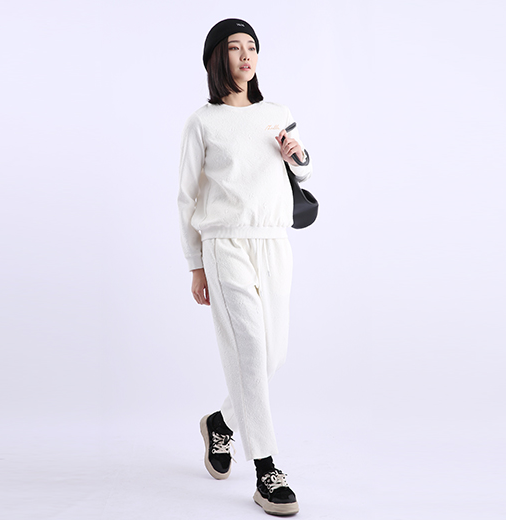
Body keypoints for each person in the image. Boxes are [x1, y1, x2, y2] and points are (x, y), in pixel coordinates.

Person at [177, 18, 312, 517]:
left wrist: (297, 156)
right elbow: (186, 197)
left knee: (272, 355)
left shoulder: (278, 114)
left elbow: (302, 172)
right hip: (224, 244)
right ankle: (267, 468)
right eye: (235, 47)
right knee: (251, 351)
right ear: (218, 58)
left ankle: (221, 423)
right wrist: (196, 264)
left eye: (251, 46)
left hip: (274, 242)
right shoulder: (202, 122)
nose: (246, 54)